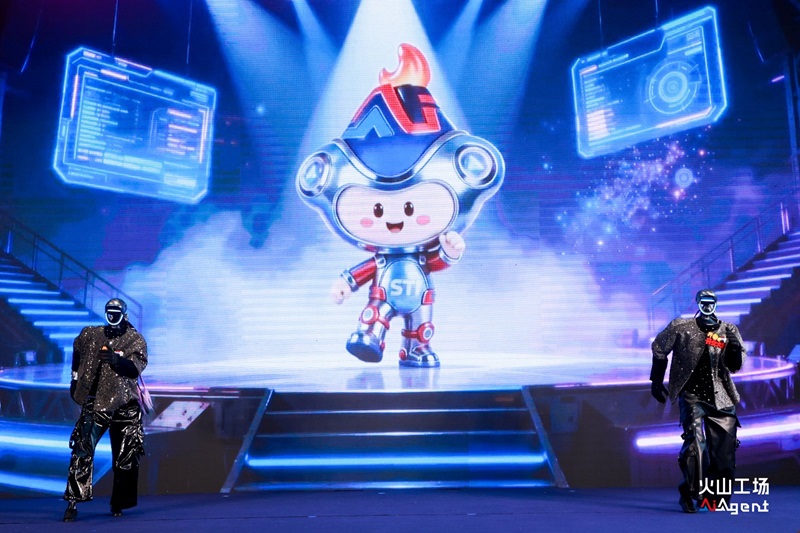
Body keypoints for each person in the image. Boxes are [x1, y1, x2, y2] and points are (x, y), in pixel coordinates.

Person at [649, 289, 746, 513]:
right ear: (698, 303)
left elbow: (734, 366)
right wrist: (656, 379)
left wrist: (733, 347)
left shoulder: (728, 330)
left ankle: (715, 498)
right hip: (692, 394)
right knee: (695, 448)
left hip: (722, 396)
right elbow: (659, 348)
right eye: (704, 301)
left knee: (724, 453)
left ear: (716, 304)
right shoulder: (681, 327)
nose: (708, 305)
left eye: (711, 302)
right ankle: (690, 494)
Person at [62, 298, 148, 522]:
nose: (112, 315)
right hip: (95, 402)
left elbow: (134, 369)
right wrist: (74, 379)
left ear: (124, 313)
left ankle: (119, 501)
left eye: (116, 311)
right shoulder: (91, 334)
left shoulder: (134, 339)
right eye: (109, 311)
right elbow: (77, 351)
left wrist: (116, 360)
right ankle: (73, 501)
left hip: (125, 404)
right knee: (82, 450)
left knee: (125, 456)